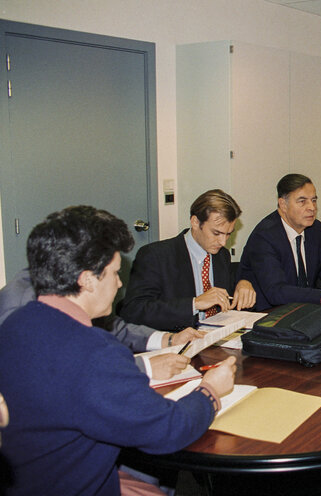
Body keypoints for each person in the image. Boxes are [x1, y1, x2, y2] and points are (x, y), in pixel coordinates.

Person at [0, 205, 236, 495]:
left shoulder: (14, 324)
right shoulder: (95, 353)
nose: (120, 282)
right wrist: (210, 390)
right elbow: (168, 431)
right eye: (114, 272)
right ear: (87, 279)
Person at [0, 269, 202, 380]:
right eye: (114, 273)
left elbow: (112, 327)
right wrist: (144, 367)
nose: (119, 283)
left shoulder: (67, 281)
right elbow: (66, 368)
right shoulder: (21, 304)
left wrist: (168, 339)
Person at [120, 189, 257, 331]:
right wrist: (194, 304)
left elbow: (226, 298)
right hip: (174, 340)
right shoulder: (156, 256)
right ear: (195, 222)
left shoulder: (221, 255)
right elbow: (134, 311)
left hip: (214, 338)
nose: (223, 242)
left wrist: (243, 283)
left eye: (228, 234)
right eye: (216, 233)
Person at [239, 174, 321, 311]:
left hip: (303, 312)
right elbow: (277, 292)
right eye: (302, 201)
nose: (312, 207)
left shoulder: (315, 229)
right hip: (268, 316)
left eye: (314, 200)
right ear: (283, 205)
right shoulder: (265, 237)